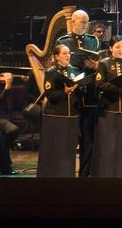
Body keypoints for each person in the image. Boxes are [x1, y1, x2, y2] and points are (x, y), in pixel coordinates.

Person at [57, 9, 101, 176]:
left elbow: (98, 60)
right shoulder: (64, 41)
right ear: (73, 22)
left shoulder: (93, 41)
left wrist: (95, 66)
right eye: (82, 21)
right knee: (69, 135)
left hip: (89, 93)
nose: (85, 25)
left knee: (88, 138)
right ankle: (64, 171)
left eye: (87, 22)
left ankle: (85, 173)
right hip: (72, 93)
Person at [93, 36, 122, 178]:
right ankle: (105, 176)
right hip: (109, 110)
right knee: (108, 145)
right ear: (111, 48)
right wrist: (120, 88)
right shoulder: (104, 64)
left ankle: (120, 176)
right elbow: (100, 84)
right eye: (117, 47)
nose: (120, 50)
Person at [38, 43, 81, 177]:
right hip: (56, 116)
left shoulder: (74, 70)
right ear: (56, 57)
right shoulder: (51, 72)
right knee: (55, 149)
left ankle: (66, 175)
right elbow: (49, 94)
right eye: (64, 53)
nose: (67, 55)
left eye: (69, 53)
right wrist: (64, 91)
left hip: (72, 115)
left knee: (68, 150)